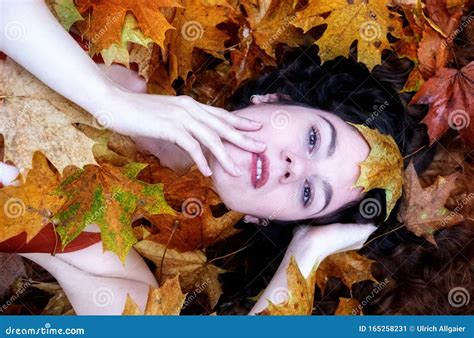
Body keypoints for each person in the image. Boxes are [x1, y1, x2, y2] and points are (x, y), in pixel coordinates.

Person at [0, 0, 439, 315]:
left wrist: (304, 256)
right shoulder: (140, 25)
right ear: (272, 98)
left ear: (262, 221)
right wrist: (106, 98)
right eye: (311, 140)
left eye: (308, 192)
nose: (293, 166)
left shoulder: (109, 245)